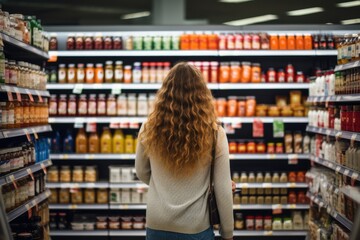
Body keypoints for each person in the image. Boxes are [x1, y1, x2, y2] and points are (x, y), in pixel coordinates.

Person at [135, 62, 234, 240]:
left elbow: (142, 172)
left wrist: (165, 184)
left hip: (157, 223)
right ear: (202, 94)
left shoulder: (148, 128)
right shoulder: (215, 133)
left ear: (165, 93)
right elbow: (223, 190)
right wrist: (228, 234)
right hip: (195, 227)